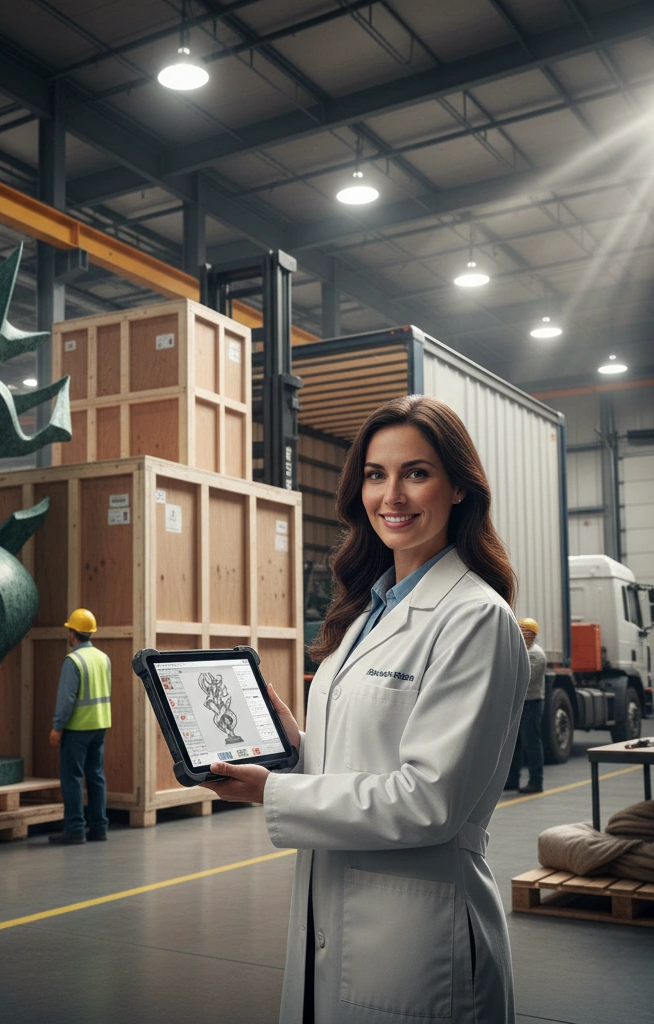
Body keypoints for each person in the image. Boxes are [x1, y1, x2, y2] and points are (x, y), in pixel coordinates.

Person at [202, 395, 529, 1024]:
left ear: (459, 487)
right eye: (377, 475)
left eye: (417, 473)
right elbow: (365, 751)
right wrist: (298, 747)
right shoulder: (368, 610)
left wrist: (274, 793)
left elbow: (429, 800)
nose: (392, 496)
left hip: (419, 939)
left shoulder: (474, 617)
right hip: (334, 912)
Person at [48, 607, 111, 845]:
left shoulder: (73, 660)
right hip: (100, 725)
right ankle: (99, 828)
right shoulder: (103, 658)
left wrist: (57, 727)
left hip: (77, 728)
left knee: (72, 777)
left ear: (73, 634)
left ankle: (75, 828)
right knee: (96, 777)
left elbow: (66, 699)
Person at [505, 618, 547, 795]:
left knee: (531, 743)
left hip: (531, 703)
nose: (521, 633)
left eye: (525, 630)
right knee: (514, 744)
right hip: (519, 704)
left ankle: (536, 781)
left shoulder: (535, 654)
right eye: (520, 629)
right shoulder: (519, 650)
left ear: (533, 635)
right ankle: (512, 779)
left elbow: (524, 678)